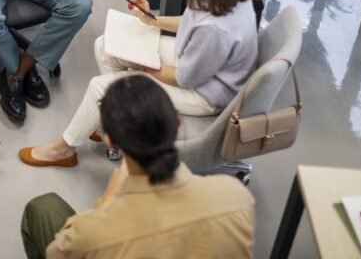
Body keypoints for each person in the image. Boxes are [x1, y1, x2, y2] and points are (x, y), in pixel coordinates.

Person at [20, 0, 258, 166]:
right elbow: (193, 23)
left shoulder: (216, 28)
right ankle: (111, 126)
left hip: (203, 93)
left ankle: (63, 150)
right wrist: (151, 20)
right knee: (105, 46)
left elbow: (186, 78)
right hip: (196, 62)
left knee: (102, 89)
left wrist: (142, 65)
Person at [21, 75, 255, 258]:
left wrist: (107, 202)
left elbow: (57, 254)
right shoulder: (238, 198)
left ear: (109, 139)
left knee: (42, 206)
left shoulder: (91, 232)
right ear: (178, 121)